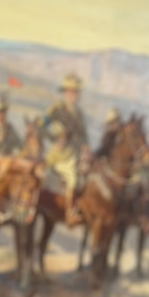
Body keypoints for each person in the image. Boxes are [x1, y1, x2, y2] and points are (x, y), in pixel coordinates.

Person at [45, 73, 89, 226]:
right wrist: (55, 139)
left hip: (77, 154)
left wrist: (86, 149)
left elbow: (84, 136)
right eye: (71, 92)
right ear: (65, 93)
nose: (74, 95)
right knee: (73, 178)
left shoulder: (80, 113)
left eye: (76, 92)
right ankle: (70, 213)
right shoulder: (57, 109)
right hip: (62, 155)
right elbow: (41, 125)